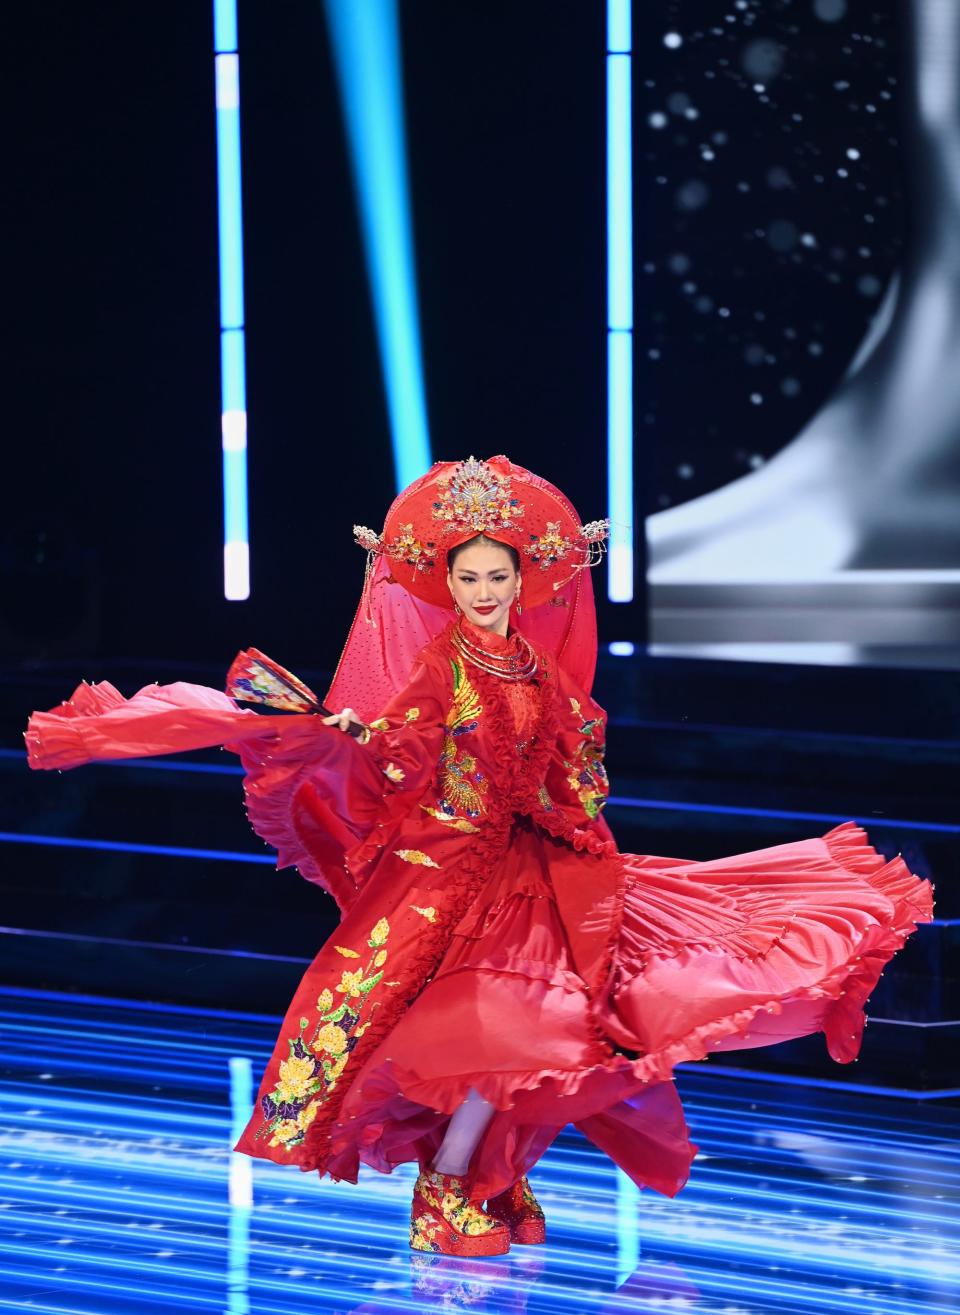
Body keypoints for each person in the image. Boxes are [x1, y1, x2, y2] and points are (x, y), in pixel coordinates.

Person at [24, 454, 934, 1258]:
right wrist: (348, 736)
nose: (488, 591)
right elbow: (400, 758)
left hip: (531, 865)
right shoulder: (443, 670)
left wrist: (576, 829)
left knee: (554, 1028)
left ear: (522, 582)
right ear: (448, 586)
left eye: (501, 576)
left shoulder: (538, 673)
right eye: (471, 578)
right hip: (442, 872)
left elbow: (566, 771)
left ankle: (485, 1171)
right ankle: (446, 1184)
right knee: (494, 1030)